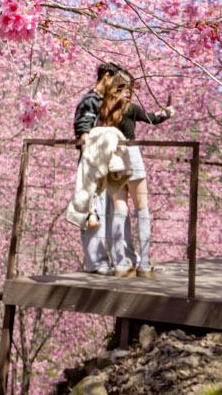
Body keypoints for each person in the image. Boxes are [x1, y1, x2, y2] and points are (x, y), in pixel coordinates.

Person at [109, 71, 173, 278]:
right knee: (142, 209)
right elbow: (154, 119)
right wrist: (168, 112)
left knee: (120, 209)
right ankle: (144, 263)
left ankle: (121, 263)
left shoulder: (104, 111)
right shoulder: (131, 108)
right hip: (131, 156)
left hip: (112, 159)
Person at [71, 63, 130, 273]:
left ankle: (111, 259)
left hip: (105, 164)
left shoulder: (102, 101)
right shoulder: (90, 101)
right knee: (92, 213)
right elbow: (83, 132)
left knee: (107, 212)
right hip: (93, 163)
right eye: (115, 83)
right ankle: (95, 262)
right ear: (106, 77)